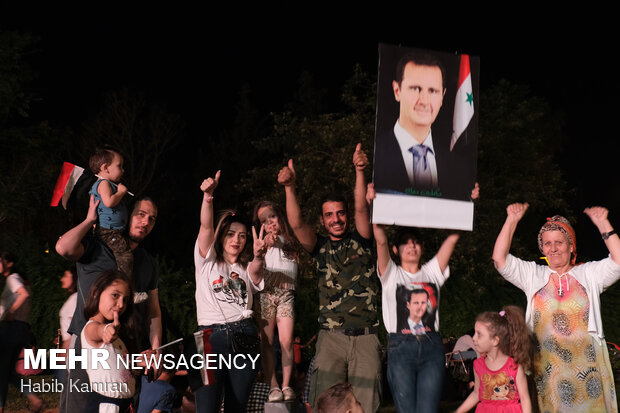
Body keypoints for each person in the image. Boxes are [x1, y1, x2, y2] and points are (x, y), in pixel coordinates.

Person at [278, 144, 381, 413]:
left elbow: (361, 208)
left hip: (366, 337)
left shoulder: (362, 240)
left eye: (340, 213)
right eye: (329, 215)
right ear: (323, 221)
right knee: (327, 405)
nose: (336, 219)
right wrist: (290, 188)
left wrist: (360, 171)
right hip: (331, 338)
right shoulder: (320, 247)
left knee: (366, 406)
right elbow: (297, 223)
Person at [492, 203, 620, 411]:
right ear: (542, 248)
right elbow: (499, 259)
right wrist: (511, 221)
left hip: (588, 370)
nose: (553, 248)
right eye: (547, 243)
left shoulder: (589, 274)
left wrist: (603, 224)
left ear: (571, 246)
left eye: (559, 242)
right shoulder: (533, 275)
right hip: (546, 370)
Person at [366, 182, 476, 412]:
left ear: (422, 247)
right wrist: (373, 205)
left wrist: (469, 202)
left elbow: (454, 237)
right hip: (400, 347)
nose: (411, 245)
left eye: (415, 241)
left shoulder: (432, 272)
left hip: (431, 347)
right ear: (396, 250)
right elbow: (380, 238)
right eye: (405, 242)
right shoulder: (390, 274)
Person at [55, 194, 162, 412]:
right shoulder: (96, 246)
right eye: (140, 214)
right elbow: (63, 248)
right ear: (126, 215)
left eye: (151, 219)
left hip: (127, 351)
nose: (145, 222)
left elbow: (153, 312)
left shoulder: (147, 262)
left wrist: (155, 350)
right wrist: (88, 221)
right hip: (88, 347)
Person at [193, 170, 267, 412]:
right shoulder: (207, 261)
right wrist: (208, 196)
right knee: (206, 406)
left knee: (237, 407)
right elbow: (205, 228)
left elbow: (256, 272)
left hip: (244, 334)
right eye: (231, 234)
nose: (237, 240)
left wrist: (258, 255)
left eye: (243, 236)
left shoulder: (246, 268)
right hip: (209, 337)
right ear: (222, 235)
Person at [373, 52, 474, 201]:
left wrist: (470, 199)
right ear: (397, 91)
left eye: (433, 91)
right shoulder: (375, 156)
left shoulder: (457, 167)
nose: (424, 101)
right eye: (415, 89)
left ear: (442, 97)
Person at [252, 200, 299, 402]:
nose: (269, 222)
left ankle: (287, 385)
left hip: (286, 295)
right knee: (267, 343)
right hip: (265, 296)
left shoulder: (290, 240)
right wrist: (263, 246)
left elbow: (281, 241)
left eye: (272, 216)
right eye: (264, 220)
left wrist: (275, 238)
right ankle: (273, 386)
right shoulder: (261, 245)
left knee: (287, 340)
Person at [456, 306, 532, 413]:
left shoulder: (514, 367)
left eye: (479, 334)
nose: (473, 338)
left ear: (495, 341)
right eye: (474, 333)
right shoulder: (478, 365)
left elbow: (525, 399)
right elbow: (476, 393)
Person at [81, 269, 137, 412]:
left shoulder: (119, 337)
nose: (120, 304)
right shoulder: (91, 328)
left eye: (125, 300)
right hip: (106, 406)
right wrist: (106, 331)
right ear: (96, 293)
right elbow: (97, 331)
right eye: (115, 295)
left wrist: (140, 361)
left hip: (124, 406)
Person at [0, 252, 44, 413]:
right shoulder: (17, 279)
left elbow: (23, 295)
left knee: (2, 371)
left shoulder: (12, 279)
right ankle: (34, 398)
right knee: (7, 371)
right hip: (20, 329)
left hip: (11, 329)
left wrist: (10, 311)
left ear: (9, 263)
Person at [88, 146, 133, 279]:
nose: (123, 170)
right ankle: (126, 285)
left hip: (113, 231)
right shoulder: (103, 183)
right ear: (105, 167)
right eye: (119, 166)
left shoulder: (106, 184)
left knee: (119, 257)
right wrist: (120, 192)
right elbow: (109, 202)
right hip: (108, 231)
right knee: (126, 257)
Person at [55, 266, 78, 384]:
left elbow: (75, 326)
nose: (62, 279)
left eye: (65, 276)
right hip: (71, 345)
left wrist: (66, 347)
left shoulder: (75, 299)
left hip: (71, 346)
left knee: (63, 381)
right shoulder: (74, 298)